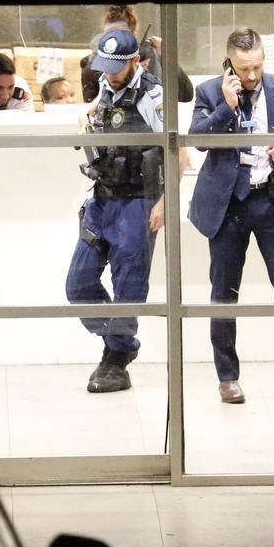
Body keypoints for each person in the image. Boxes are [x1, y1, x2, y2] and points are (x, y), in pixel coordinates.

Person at [188, 28, 274, 405]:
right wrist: (225, 107)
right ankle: (227, 377)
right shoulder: (211, 92)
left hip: (271, 201)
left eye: (257, 66)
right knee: (223, 295)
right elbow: (197, 138)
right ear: (229, 61)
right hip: (228, 205)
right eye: (244, 68)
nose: (251, 75)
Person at [65, 29, 166, 393]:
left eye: (115, 69)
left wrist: (165, 202)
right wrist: (86, 118)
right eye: (103, 68)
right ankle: (120, 343)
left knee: (128, 291)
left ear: (136, 62)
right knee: (78, 285)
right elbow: (97, 115)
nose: (107, 75)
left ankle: (116, 362)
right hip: (102, 200)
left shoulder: (152, 96)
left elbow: (177, 151)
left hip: (138, 203)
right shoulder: (107, 88)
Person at [80, 5, 194, 104]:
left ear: (134, 35)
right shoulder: (92, 66)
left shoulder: (151, 55)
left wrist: (166, 56)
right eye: (110, 35)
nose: (115, 41)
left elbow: (186, 95)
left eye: (121, 35)